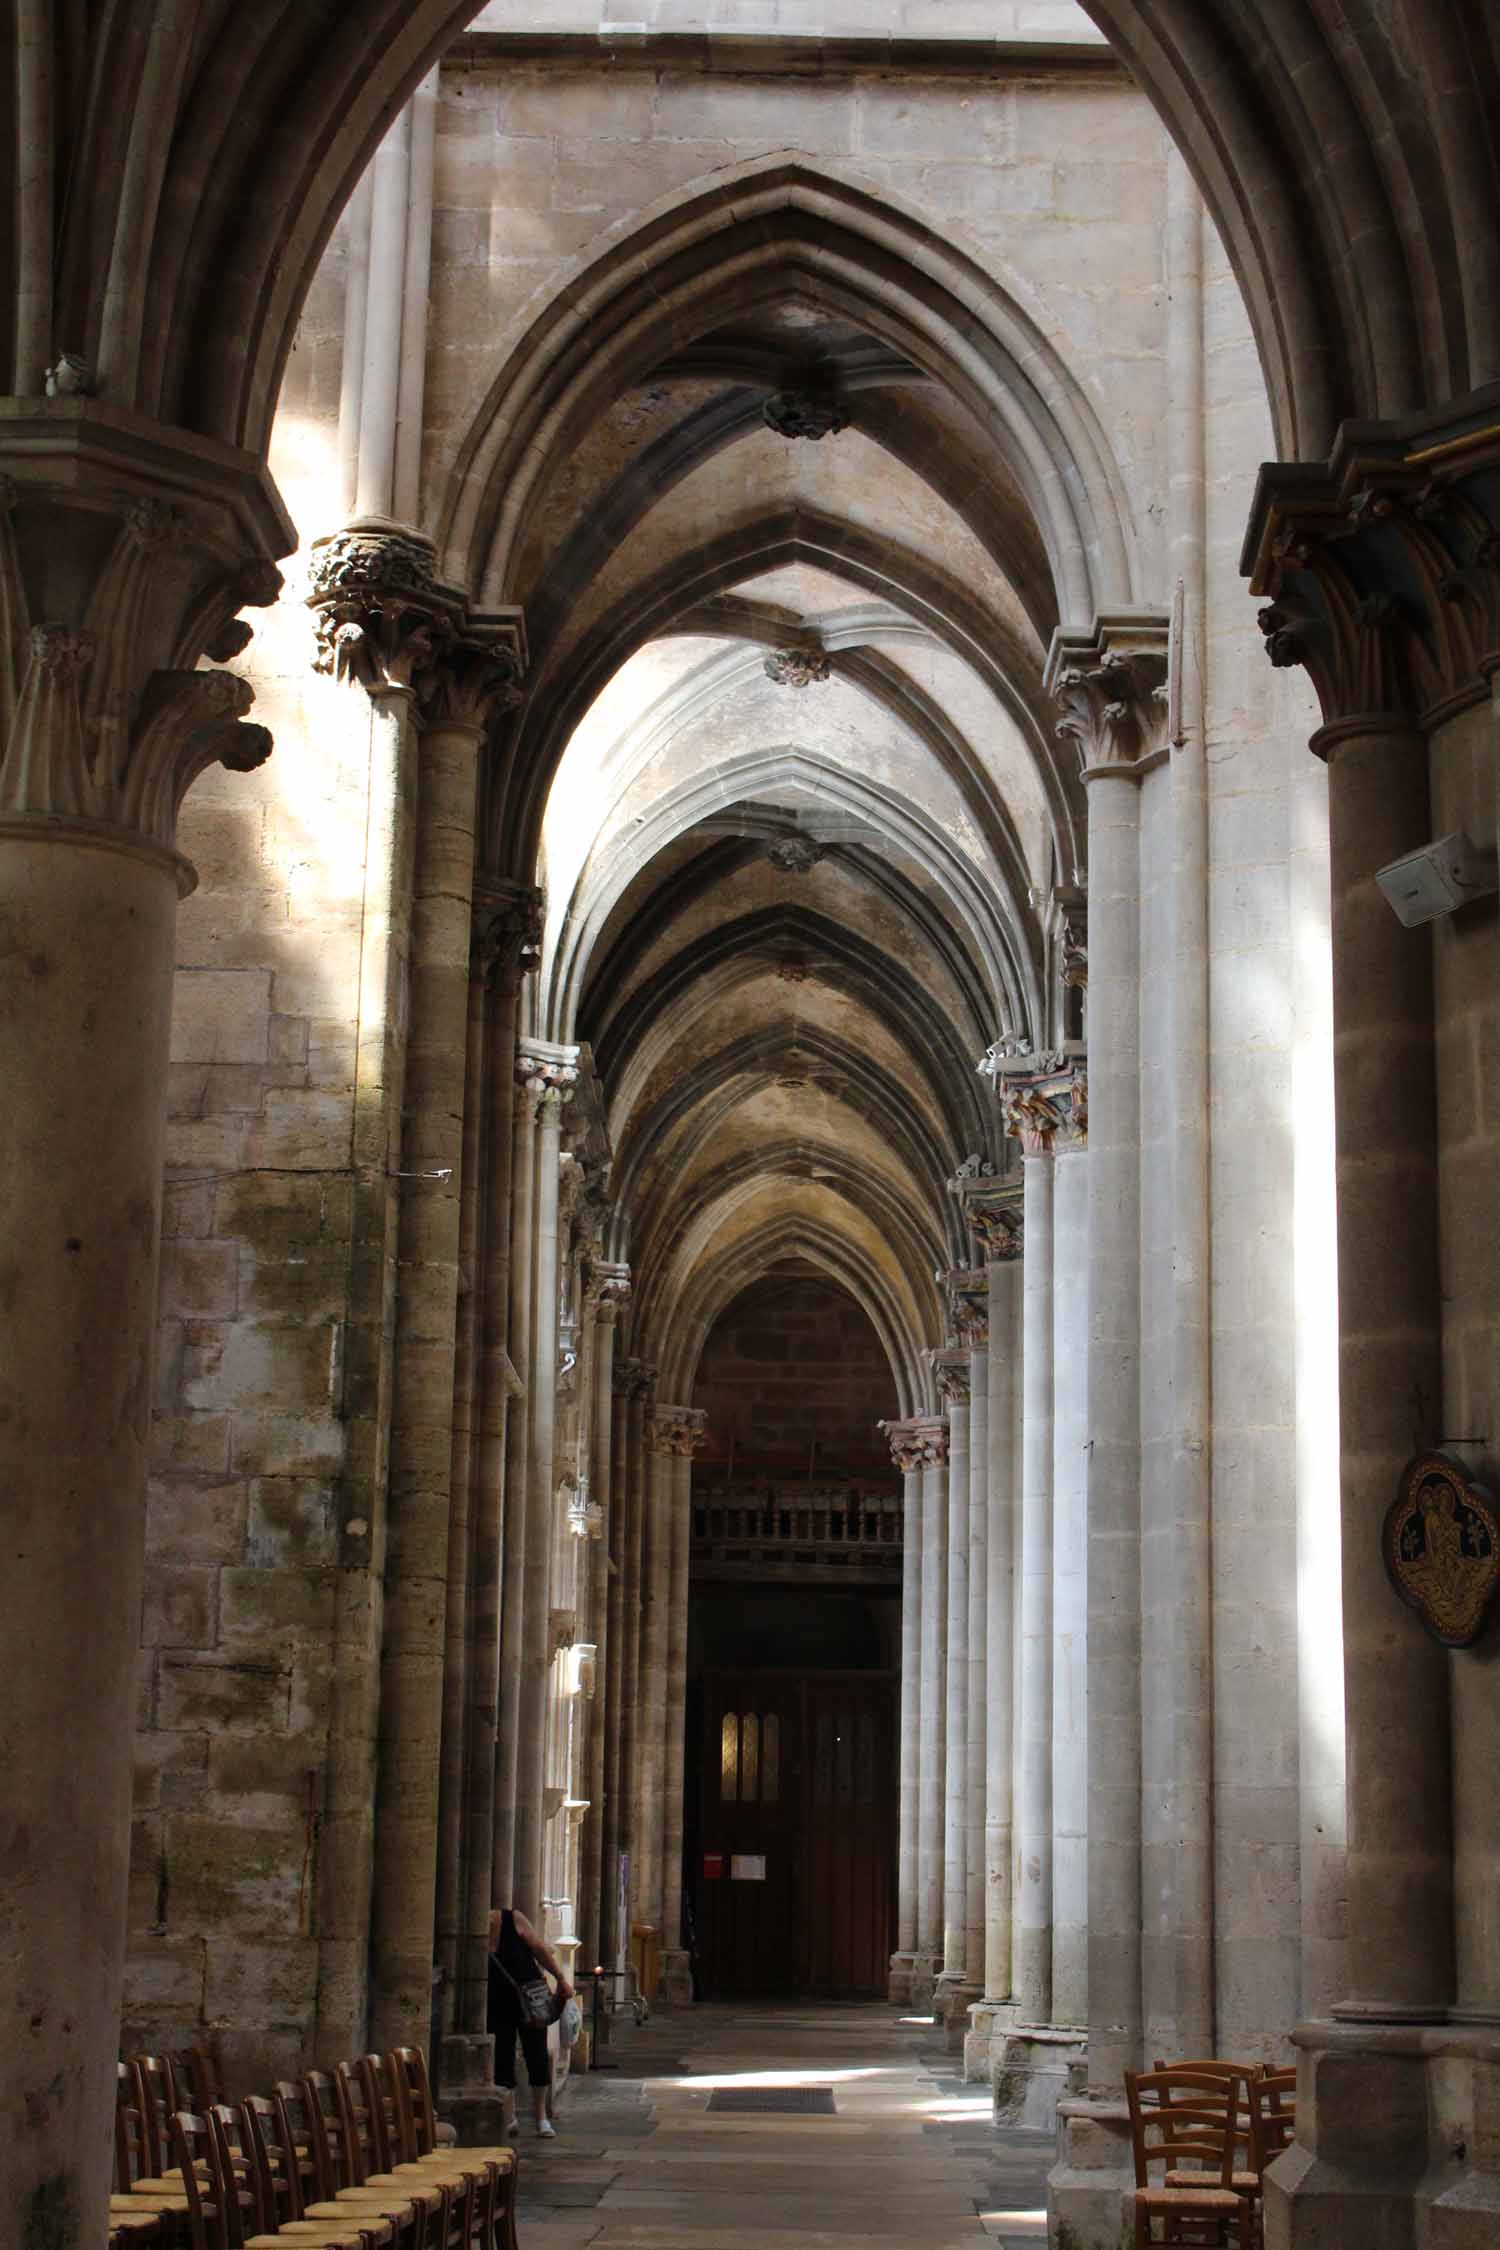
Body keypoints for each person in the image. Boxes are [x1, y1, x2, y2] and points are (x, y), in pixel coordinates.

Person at [487, 1905, 575, 2139]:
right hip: (497, 2003)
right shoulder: (470, 1935)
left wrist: (560, 1979)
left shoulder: (512, 1919)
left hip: (530, 2000)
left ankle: (541, 2117)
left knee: (536, 2054)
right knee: (502, 2057)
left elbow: (540, 1950)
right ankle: (510, 2115)